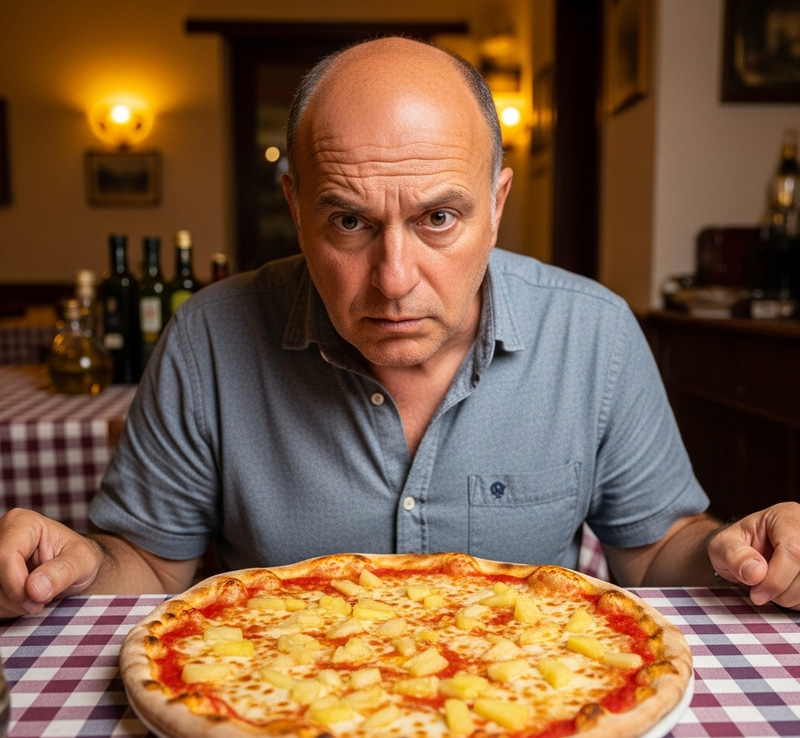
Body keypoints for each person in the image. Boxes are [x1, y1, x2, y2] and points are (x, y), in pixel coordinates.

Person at [1, 37, 798, 618]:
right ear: (295, 211)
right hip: (272, 699)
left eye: (439, 217)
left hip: (536, 698)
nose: (392, 279)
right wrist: (74, 563)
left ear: (497, 208)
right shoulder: (208, 335)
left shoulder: (596, 332)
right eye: (347, 220)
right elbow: (146, 563)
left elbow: (657, 549)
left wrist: (743, 553)